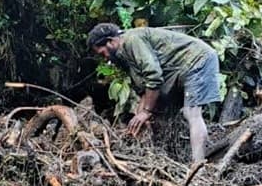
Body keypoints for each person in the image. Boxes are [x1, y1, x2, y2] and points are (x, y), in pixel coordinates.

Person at [87, 23, 222, 163]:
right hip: (180, 68)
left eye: (103, 53)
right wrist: (138, 118)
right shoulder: (122, 54)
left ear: (111, 41)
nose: (105, 58)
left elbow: (153, 76)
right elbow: (144, 89)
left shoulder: (133, 40)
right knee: (162, 114)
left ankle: (198, 167)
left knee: (191, 112)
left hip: (198, 61)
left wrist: (145, 112)